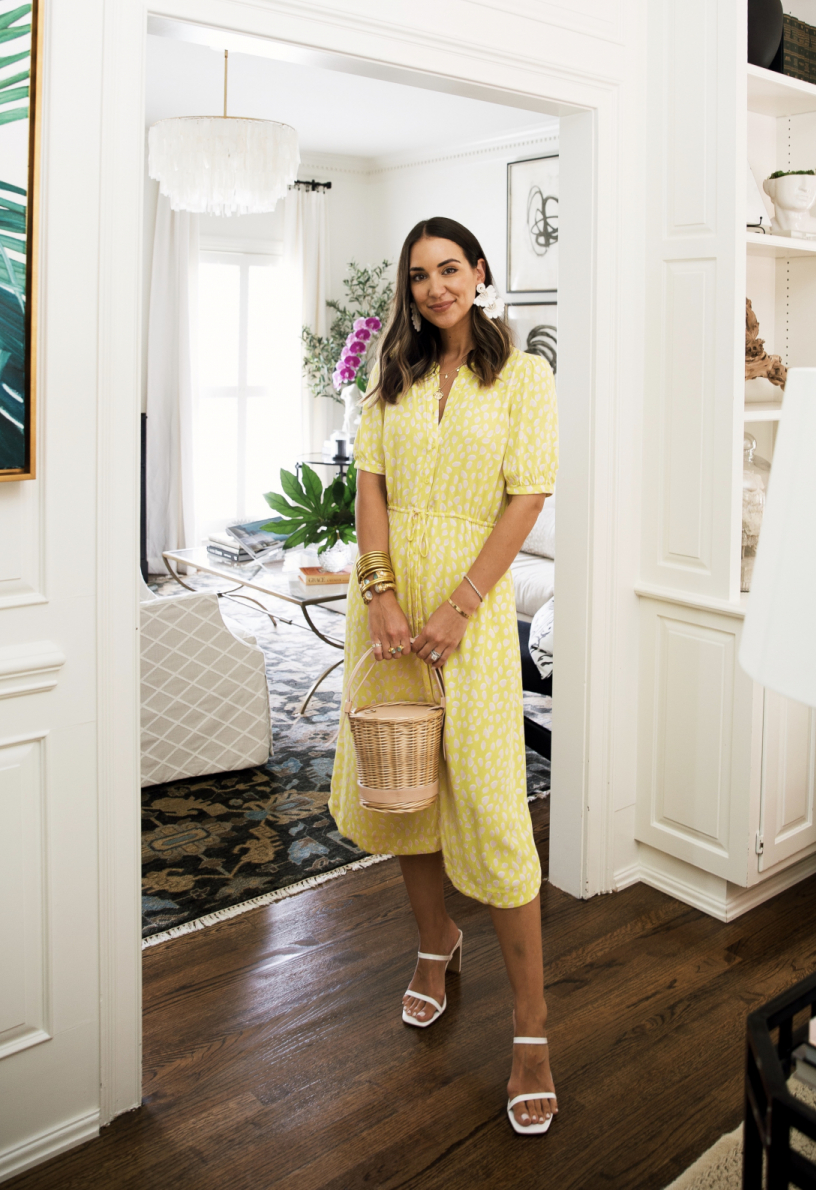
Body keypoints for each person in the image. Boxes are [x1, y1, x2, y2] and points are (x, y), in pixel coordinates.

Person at [329, 216, 559, 1134]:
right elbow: (370, 488)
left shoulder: (524, 377)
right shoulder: (391, 372)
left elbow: (529, 494)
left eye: (450, 269)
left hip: (475, 606)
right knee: (408, 790)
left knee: (498, 808)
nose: (435, 287)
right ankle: (435, 944)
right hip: (387, 606)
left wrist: (460, 606)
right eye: (419, 274)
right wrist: (382, 595)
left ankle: (533, 1029)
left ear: (480, 273)